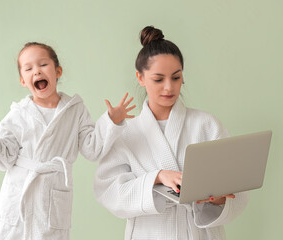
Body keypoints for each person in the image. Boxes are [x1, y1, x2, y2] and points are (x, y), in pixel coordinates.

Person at [0, 42, 135, 240]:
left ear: (57, 71)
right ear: (23, 80)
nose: (36, 71)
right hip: (18, 195)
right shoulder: (18, 113)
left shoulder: (75, 109)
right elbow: (4, 158)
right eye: (28, 68)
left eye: (43, 65)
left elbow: (92, 149)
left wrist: (111, 121)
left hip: (53, 195)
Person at [93, 26, 249, 240]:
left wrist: (219, 200)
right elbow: (108, 192)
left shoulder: (206, 124)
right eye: (158, 79)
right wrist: (156, 177)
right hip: (148, 233)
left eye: (176, 78)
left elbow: (237, 189)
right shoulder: (126, 133)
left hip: (199, 234)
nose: (169, 87)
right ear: (140, 77)